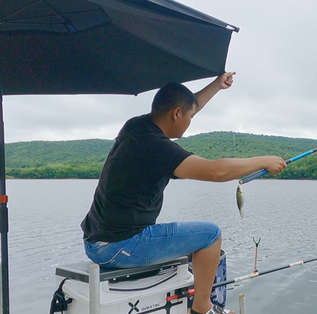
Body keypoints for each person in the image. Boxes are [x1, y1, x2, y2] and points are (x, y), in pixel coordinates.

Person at [80, 72, 286, 314]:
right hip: (120, 246)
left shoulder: (135, 126)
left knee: (195, 243)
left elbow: (187, 105)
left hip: (94, 242)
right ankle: (202, 308)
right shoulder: (159, 148)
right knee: (210, 235)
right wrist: (263, 161)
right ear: (176, 114)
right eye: (190, 116)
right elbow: (215, 171)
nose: (191, 120)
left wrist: (216, 86)